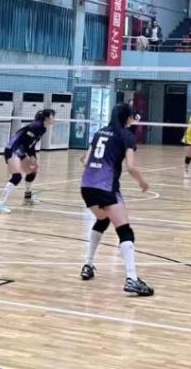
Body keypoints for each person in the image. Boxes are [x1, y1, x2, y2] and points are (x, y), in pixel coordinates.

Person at [79, 103, 154, 296]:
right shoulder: (126, 135)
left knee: (102, 220)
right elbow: (130, 167)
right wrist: (142, 182)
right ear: (127, 118)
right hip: (106, 187)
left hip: (86, 186)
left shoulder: (99, 132)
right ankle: (132, 279)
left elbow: (85, 161)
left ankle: (88, 265)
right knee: (125, 231)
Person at [0, 109, 55, 213]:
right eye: (52, 116)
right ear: (47, 117)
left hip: (20, 151)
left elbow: (31, 145)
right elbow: (25, 143)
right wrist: (30, 157)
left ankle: (27, 197)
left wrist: (33, 158)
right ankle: (0, 205)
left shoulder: (42, 128)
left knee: (33, 171)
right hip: (12, 150)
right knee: (17, 176)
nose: (54, 118)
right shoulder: (35, 126)